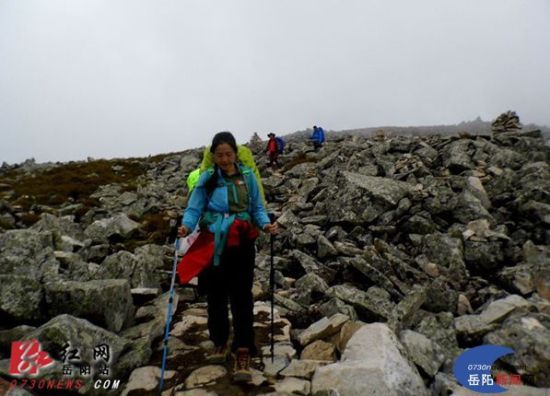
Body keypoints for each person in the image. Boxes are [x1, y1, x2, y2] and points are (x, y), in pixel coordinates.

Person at [178, 131, 278, 382]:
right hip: (212, 242)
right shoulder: (208, 179)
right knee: (216, 296)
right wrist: (186, 227)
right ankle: (219, 342)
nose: (224, 159)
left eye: (228, 154)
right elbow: (194, 207)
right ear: (213, 156)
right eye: (219, 155)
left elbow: (256, 206)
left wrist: (265, 225)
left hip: (242, 242)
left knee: (242, 296)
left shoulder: (247, 177)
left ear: (235, 154)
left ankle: (243, 349)